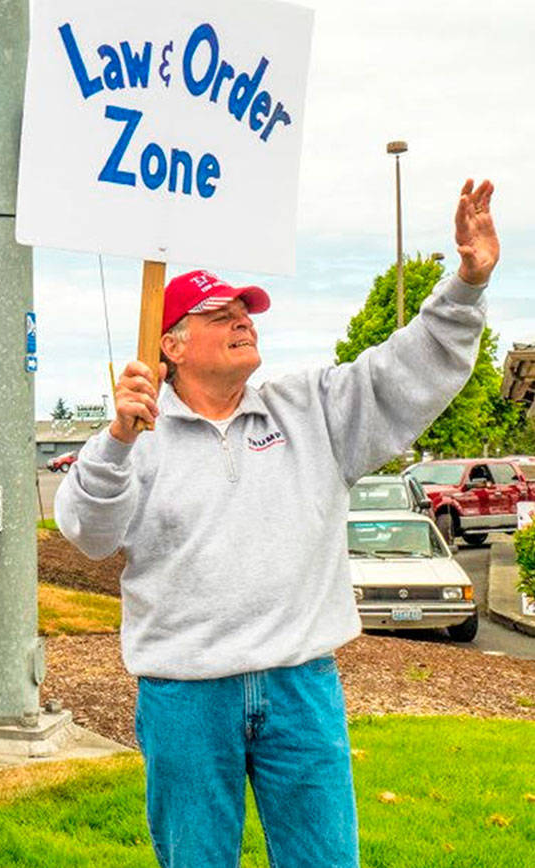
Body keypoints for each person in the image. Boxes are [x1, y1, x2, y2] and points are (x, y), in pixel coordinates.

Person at [54, 180, 499, 868]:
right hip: (186, 698)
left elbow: (399, 371)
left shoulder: (310, 408)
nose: (243, 320)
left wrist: (465, 285)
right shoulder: (133, 434)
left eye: (246, 311)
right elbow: (88, 532)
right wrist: (116, 440)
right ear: (170, 344)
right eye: (220, 313)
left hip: (301, 687)